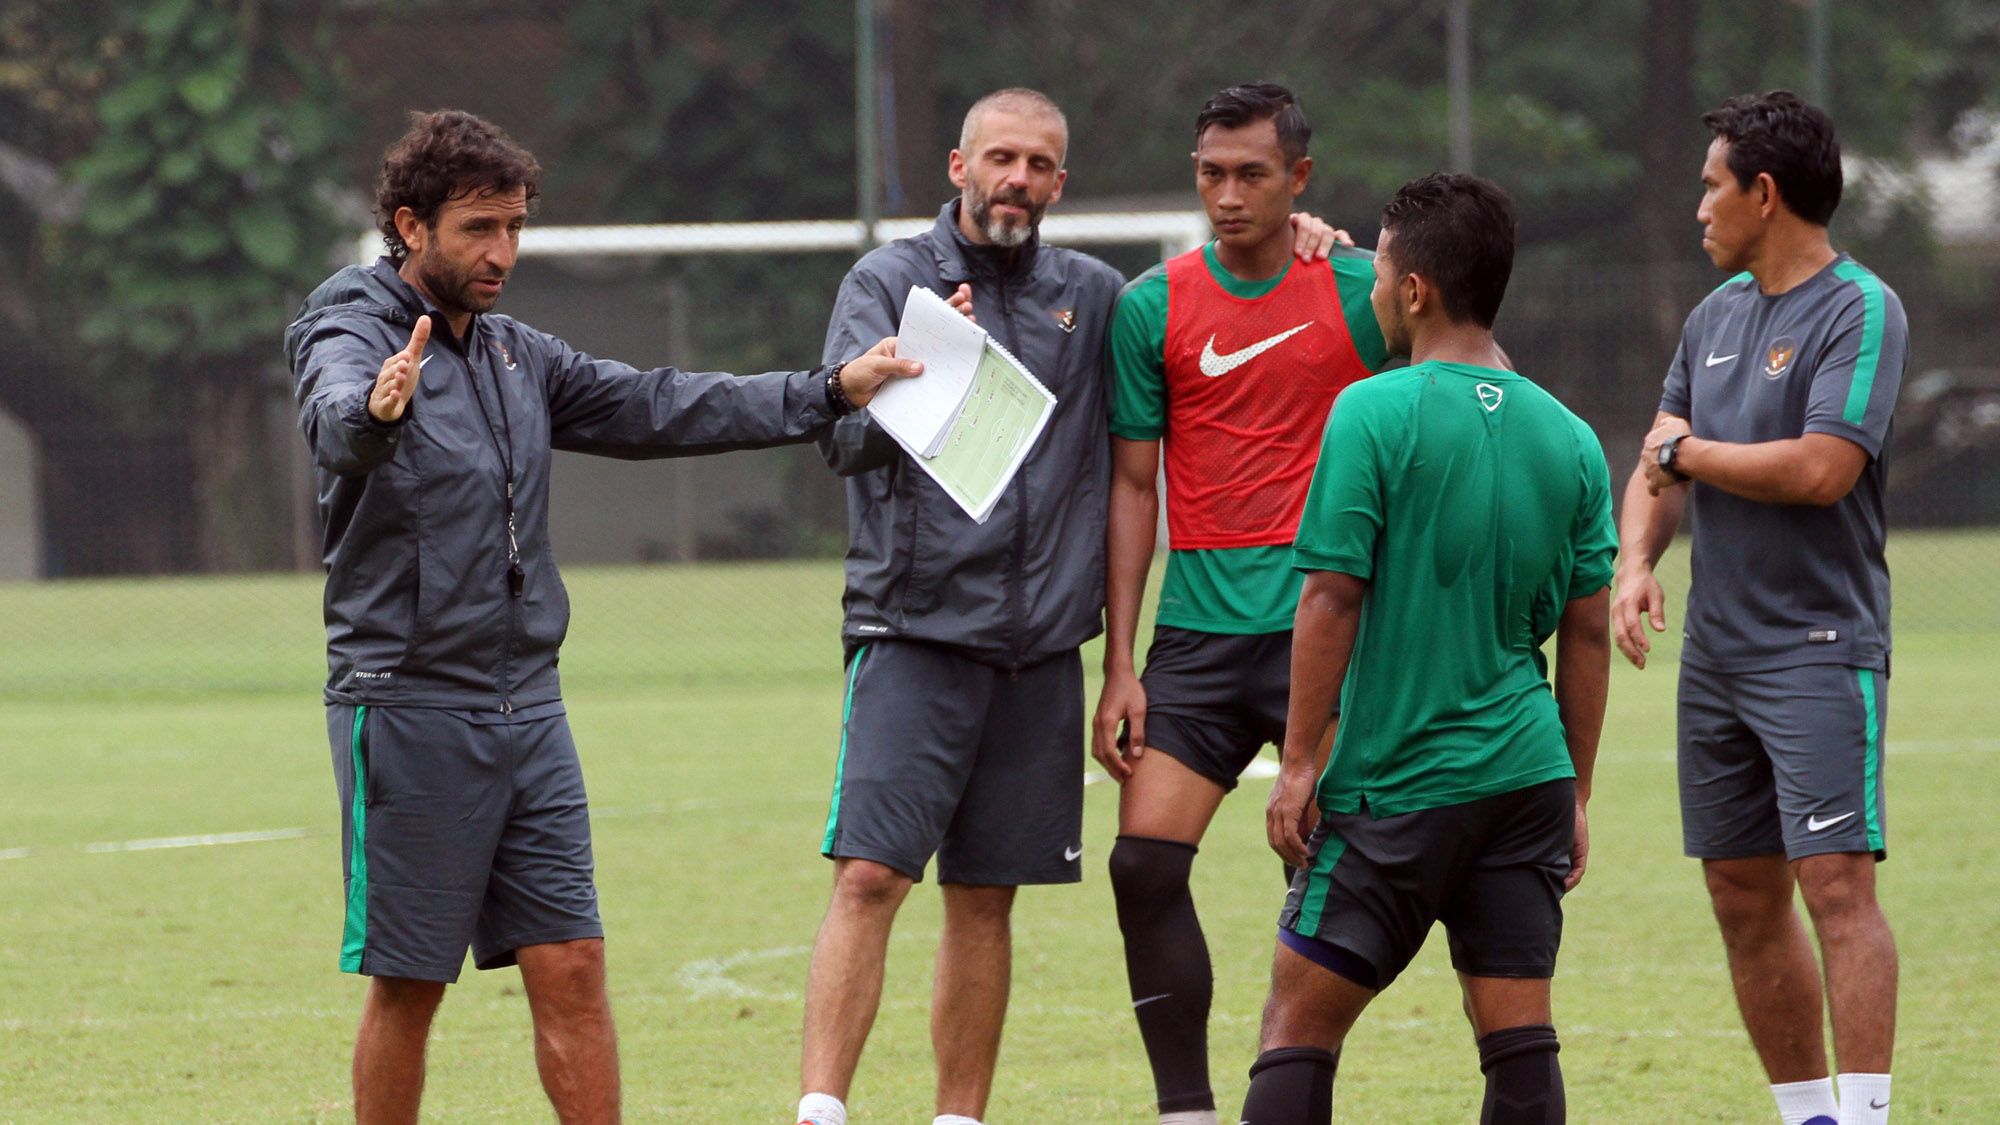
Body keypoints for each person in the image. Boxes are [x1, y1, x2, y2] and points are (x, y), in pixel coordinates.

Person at [286, 109, 917, 1124]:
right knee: (410, 983)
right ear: (409, 225)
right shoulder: (348, 327)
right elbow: (336, 419)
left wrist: (832, 391)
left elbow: (667, 404)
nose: (502, 254)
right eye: (477, 231)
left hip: (526, 705)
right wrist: (375, 412)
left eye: (515, 228)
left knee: (573, 962)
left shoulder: (511, 354)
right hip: (406, 703)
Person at [796, 88, 1346, 1125]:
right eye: (999, 159)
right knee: (869, 877)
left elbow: (1223, 299)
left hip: (1041, 651)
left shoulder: (1096, 297)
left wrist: (1304, 236)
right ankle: (819, 1111)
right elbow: (837, 441)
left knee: (985, 897)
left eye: (1040, 165)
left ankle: (959, 1119)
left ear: (1060, 181)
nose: (1018, 180)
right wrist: (896, 381)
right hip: (913, 633)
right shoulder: (888, 280)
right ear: (958, 168)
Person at [1242, 173, 1613, 1125]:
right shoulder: (1572, 438)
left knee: (1296, 1025)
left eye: (1382, 266)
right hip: (1525, 777)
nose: (1371, 287)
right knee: (1518, 1038)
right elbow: (1586, 629)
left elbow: (1328, 597)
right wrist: (1573, 790)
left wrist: (1297, 761)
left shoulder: (1371, 411)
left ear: (1415, 291)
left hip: (1397, 782)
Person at [1091, 83, 1391, 1125]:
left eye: (1251, 176)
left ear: (1298, 179)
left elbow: (1451, 390)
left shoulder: (1362, 289)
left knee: (1337, 877)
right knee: (1140, 863)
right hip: (1197, 640)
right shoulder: (1150, 307)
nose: (1226, 196)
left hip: (1331, 633)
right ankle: (1186, 1112)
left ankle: (1291, 1091)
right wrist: (1118, 660)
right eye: (1210, 175)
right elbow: (1133, 486)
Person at [1613, 92, 1906, 1125]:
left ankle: (1863, 1118)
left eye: (1709, 185)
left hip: (1818, 649)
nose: (1698, 206)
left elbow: (1819, 468)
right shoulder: (1712, 316)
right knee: (1740, 893)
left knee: (1833, 885)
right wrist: (1632, 563)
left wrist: (1680, 456)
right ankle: (1806, 1116)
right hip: (1716, 656)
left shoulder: (1858, 309)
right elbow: (1651, 460)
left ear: (1763, 193)